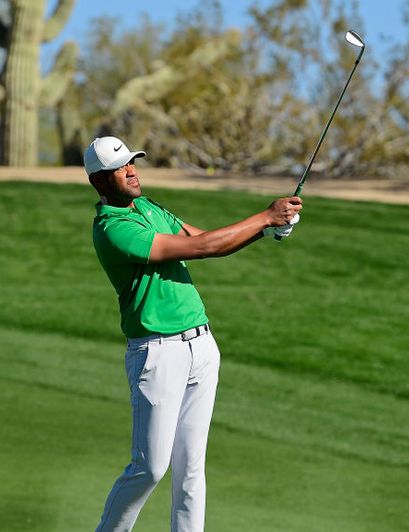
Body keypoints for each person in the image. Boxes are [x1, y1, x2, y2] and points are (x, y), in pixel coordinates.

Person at [86, 136, 302, 532]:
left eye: (132, 163)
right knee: (149, 468)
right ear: (99, 181)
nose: (132, 171)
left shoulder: (148, 207)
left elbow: (207, 238)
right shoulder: (113, 228)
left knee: (190, 470)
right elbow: (202, 248)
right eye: (121, 168)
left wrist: (267, 230)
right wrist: (264, 217)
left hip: (201, 346)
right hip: (156, 353)